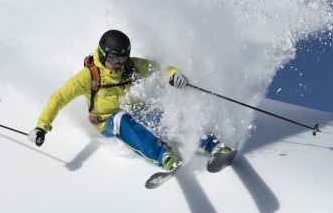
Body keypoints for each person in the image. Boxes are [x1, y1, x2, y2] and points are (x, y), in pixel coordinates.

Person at [28, 29, 229, 171]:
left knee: (163, 115)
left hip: (136, 109)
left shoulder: (130, 66)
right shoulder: (89, 76)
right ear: (104, 54)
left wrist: (173, 75)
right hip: (107, 121)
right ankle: (163, 156)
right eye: (115, 60)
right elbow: (58, 98)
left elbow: (160, 68)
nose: (119, 65)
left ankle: (214, 145)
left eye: (123, 60)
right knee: (120, 119)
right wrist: (41, 127)